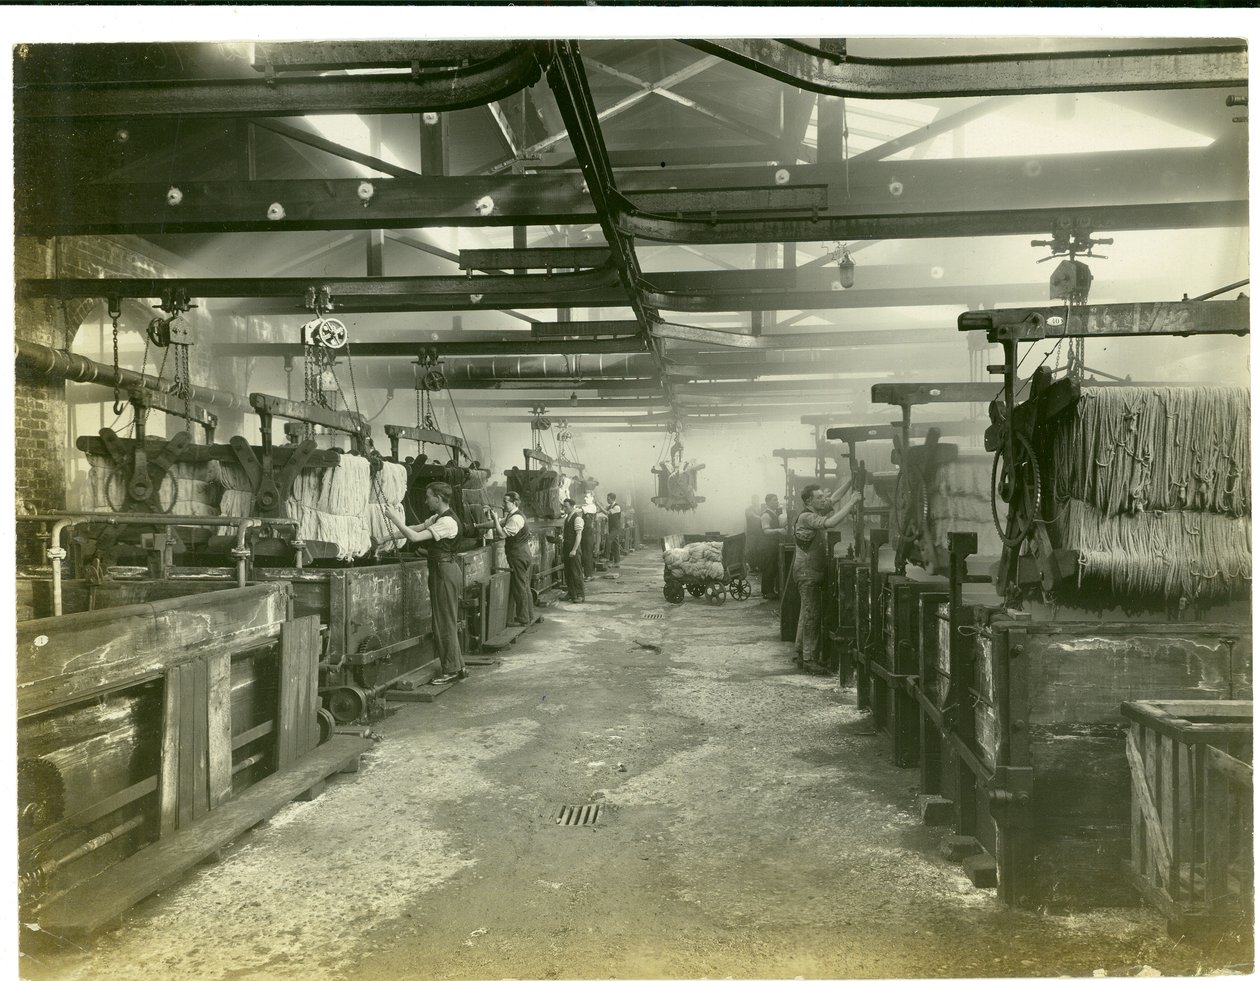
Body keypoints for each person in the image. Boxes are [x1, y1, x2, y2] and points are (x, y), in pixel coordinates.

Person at [384, 482, 467, 685]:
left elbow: (415, 537)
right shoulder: (438, 518)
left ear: (438, 499)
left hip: (444, 571)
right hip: (443, 569)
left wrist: (394, 518)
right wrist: (382, 539)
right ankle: (458, 666)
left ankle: (451, 670)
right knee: (446, 619)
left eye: (428, 496)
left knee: (443, 622)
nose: (425, 500)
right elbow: (414, 528)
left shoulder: (447, 523)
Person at [791, 479, 858, 675]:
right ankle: (809, 659)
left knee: (806, 612)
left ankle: (799, 651)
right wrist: (852, 502)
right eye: (819, 497)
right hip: (808, 572)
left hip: (808, 571)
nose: (824, 499)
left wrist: (850, 481)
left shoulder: (812, 512)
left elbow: (834, 499)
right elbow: (830, 522)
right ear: (809, 501)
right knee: (812, 615)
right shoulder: (807, 518)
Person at [490, 490, 534, 627]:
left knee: (519, 587)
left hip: (518, 556)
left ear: (514, 503)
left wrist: (496, 519)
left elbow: (502, 535)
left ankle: (523, 619)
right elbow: (497, 524)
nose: (503, 504)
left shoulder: (516, 518)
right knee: (524, 585)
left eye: (505, 502)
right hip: (522, 554)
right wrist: (476, 526)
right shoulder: (513, 515)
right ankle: (529, 615)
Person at [759, 494, 785, 599]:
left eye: (777, 499)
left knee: (773, 567)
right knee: (769, 567)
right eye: (774, 500)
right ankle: (767, 592)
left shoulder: (774, 513)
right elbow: (766, 531)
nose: (777, 502)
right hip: (767, 545)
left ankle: (771, 590)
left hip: (773, 544)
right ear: (768, 502)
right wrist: (778, 530)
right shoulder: (766, 515)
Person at [559, 497, 585, 602]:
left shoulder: (577, 518)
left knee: (576, 573)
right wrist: (563, 537)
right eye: (563, 507)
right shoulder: (567, 518)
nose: (564, 509)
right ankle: (571, 593)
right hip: (567, 548)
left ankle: (580, 595)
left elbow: (579, 535)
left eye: (566, 507)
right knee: (568, 572)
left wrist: (574, 550)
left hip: (574, 549)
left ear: (572, 506)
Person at [597, 492, 623, 569]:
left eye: (608, 499)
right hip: (612, 527)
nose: (607, 500)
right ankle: (617, 562)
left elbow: (607, 513)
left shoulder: (617, 507)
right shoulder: (610, 506)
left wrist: (598, 504)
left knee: (608, 539)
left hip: (616, 528)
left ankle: (606, 557)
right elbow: (602, 510)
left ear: (612, 499)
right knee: (615, 545)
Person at [580, 491, 598, 581]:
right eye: (585, 497)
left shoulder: (592, 507)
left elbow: (583, 509)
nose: (585, 499)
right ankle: (586, 573)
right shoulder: (586, 506)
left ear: (592, 498)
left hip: (589, 533)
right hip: (584, 533)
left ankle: (589, 575)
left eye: (587, 497)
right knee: (584, 554)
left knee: (587, 554)